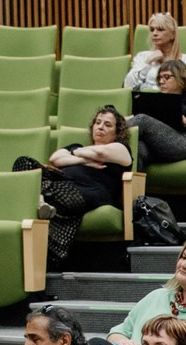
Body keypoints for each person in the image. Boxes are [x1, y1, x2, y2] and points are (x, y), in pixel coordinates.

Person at [36, 105, 133, 268]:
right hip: (63, 183)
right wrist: (83, 159)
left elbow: (101, 153)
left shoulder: (121, 148)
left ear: (117, 132)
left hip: (93, 191)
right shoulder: (78, 147)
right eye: (98, 122)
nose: (101, 127)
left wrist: (73, 154)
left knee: (54, 189)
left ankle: (41, 199)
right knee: (24, 163)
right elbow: (55, 158)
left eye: (107, 125)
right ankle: (42, 201)